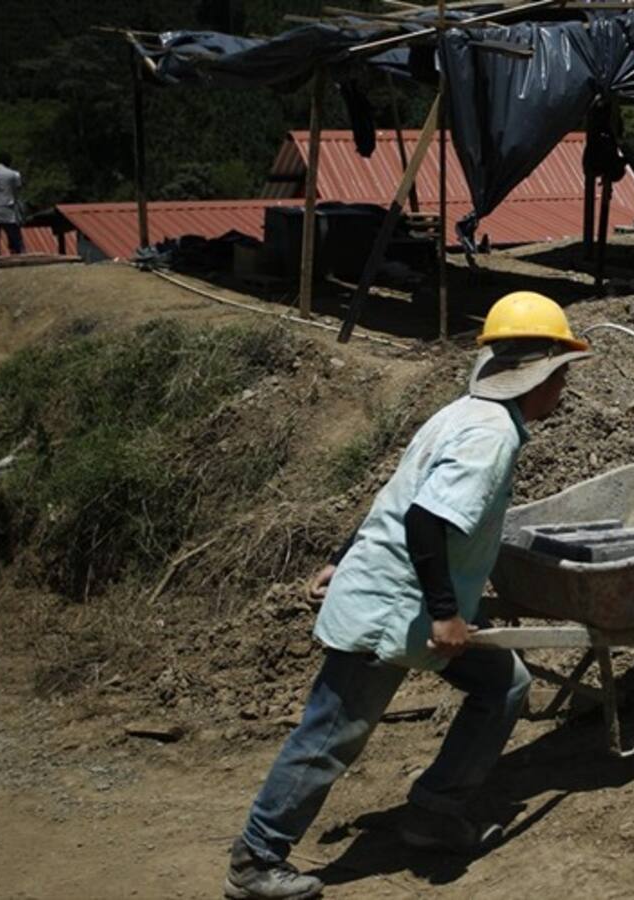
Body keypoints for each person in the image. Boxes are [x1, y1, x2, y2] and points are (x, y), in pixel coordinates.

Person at [224, 292, 592, 900]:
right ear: (540, 377)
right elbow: (423, 521)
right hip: (393, 607)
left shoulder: (464, 414)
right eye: (562, 375)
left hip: (402, 598)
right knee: (331, 736)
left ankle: (435, 812)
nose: (565, 388)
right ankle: (256, 858)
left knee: (503, 686)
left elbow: (397, 493)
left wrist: (341, 556)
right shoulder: (490, 437)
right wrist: (446, 614)